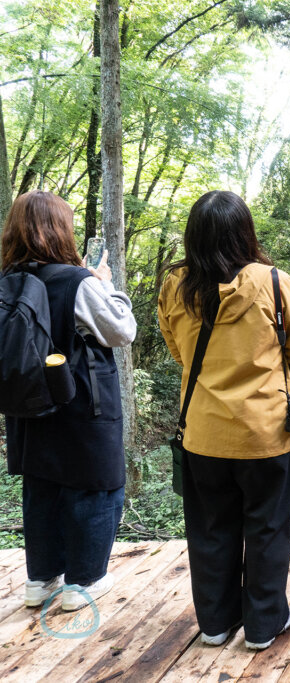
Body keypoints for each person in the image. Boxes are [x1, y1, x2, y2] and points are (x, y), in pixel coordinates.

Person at [158, 190, 290, 650]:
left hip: (203, 433)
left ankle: (214, 623)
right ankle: (264, 625)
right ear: (245, 233)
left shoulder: (175, 287)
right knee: (267, 528)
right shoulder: (274, 282)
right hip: (267, 433)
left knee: (210, 530)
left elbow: (178, 352)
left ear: (193, 237)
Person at [2, 191, 136, 612]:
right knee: (94, 488)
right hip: (81, 404)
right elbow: (121, 330)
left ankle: (40, 580)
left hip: (28, 407)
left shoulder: (7, 281)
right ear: (59, 230)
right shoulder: (78, 282)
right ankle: (84, 581)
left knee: (42, 487)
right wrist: (106, 284)